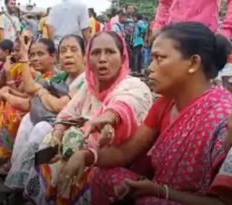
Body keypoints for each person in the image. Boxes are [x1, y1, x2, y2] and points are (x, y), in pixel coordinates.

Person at [59, 22, 232, 205]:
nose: (149, 67)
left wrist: (159, 191)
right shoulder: (165, 105)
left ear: (193, 63)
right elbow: (125, 153)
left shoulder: (223, 118)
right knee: (102, 175)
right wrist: (87, 155)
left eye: (159, 58)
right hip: (161, 192)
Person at [24, 31, 152, 205]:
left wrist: (107, 119)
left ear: (122, 58)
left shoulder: (134, 86)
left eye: (110, 52)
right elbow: (67, 114)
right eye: (96, 53)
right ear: (88, 59)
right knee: (49, 143)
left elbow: (124, 105)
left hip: (115, 159)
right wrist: (57, 134)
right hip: (83, 151)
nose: (102, 59)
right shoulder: (90, 88)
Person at [5, 34, 87, 190]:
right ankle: (18, 174)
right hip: (57, 122)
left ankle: (31, 184)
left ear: (84, 56)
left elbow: (58, 106)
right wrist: (23, 54)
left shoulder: (85, 80)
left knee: (41, 127)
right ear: (59, 56)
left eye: (74, 50)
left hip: (75, 128)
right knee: (28, 120)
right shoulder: (63, 77)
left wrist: (41, 92)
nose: (68, 54)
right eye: (63, 50)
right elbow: (30, 88)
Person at [0, 37, 57, 161]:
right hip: (33, 108)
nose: (35, 58)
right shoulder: (35, 73)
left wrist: (8, 84)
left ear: (53, 56)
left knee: (12, 112)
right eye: (32, 55)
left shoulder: (45, 75)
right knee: (1, 97)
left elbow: (28, 99)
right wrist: (9, 90)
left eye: (40, 54)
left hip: (43, 116)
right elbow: (23, 94)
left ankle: (7, 154)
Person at [153, 0, 232, 39]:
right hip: (172, 35)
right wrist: (158, 26)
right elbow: (165, 3)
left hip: (203, 36)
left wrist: (226, 32)